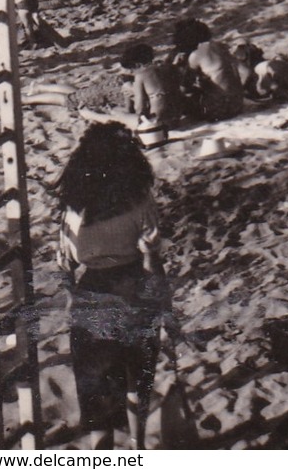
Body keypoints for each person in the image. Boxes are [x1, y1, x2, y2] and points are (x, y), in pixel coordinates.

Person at [56, 123, 171, 450]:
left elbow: (66, 263)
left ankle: (101, 451)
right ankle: (137, 444)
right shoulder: (139, 199)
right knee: (139, 374)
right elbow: (151, 259)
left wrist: (71, 298)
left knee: (98, 386)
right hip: (134, 287)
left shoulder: (75, 207)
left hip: (92, 293)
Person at [171, 19, 244, 122]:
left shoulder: (196, 55)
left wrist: (176, 67)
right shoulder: (221, 46)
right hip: (238, 104)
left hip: (220, 110)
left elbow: (184, 88)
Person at [120, 42, 184, 131]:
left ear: (137, 65)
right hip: (175, 120)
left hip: (155, 124)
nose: (131, 73)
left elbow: (139, 109)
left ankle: (94, 114)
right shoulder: (168, 68)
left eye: (131, 70)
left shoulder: (141, 76)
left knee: (117, 115)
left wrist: (133, 91)